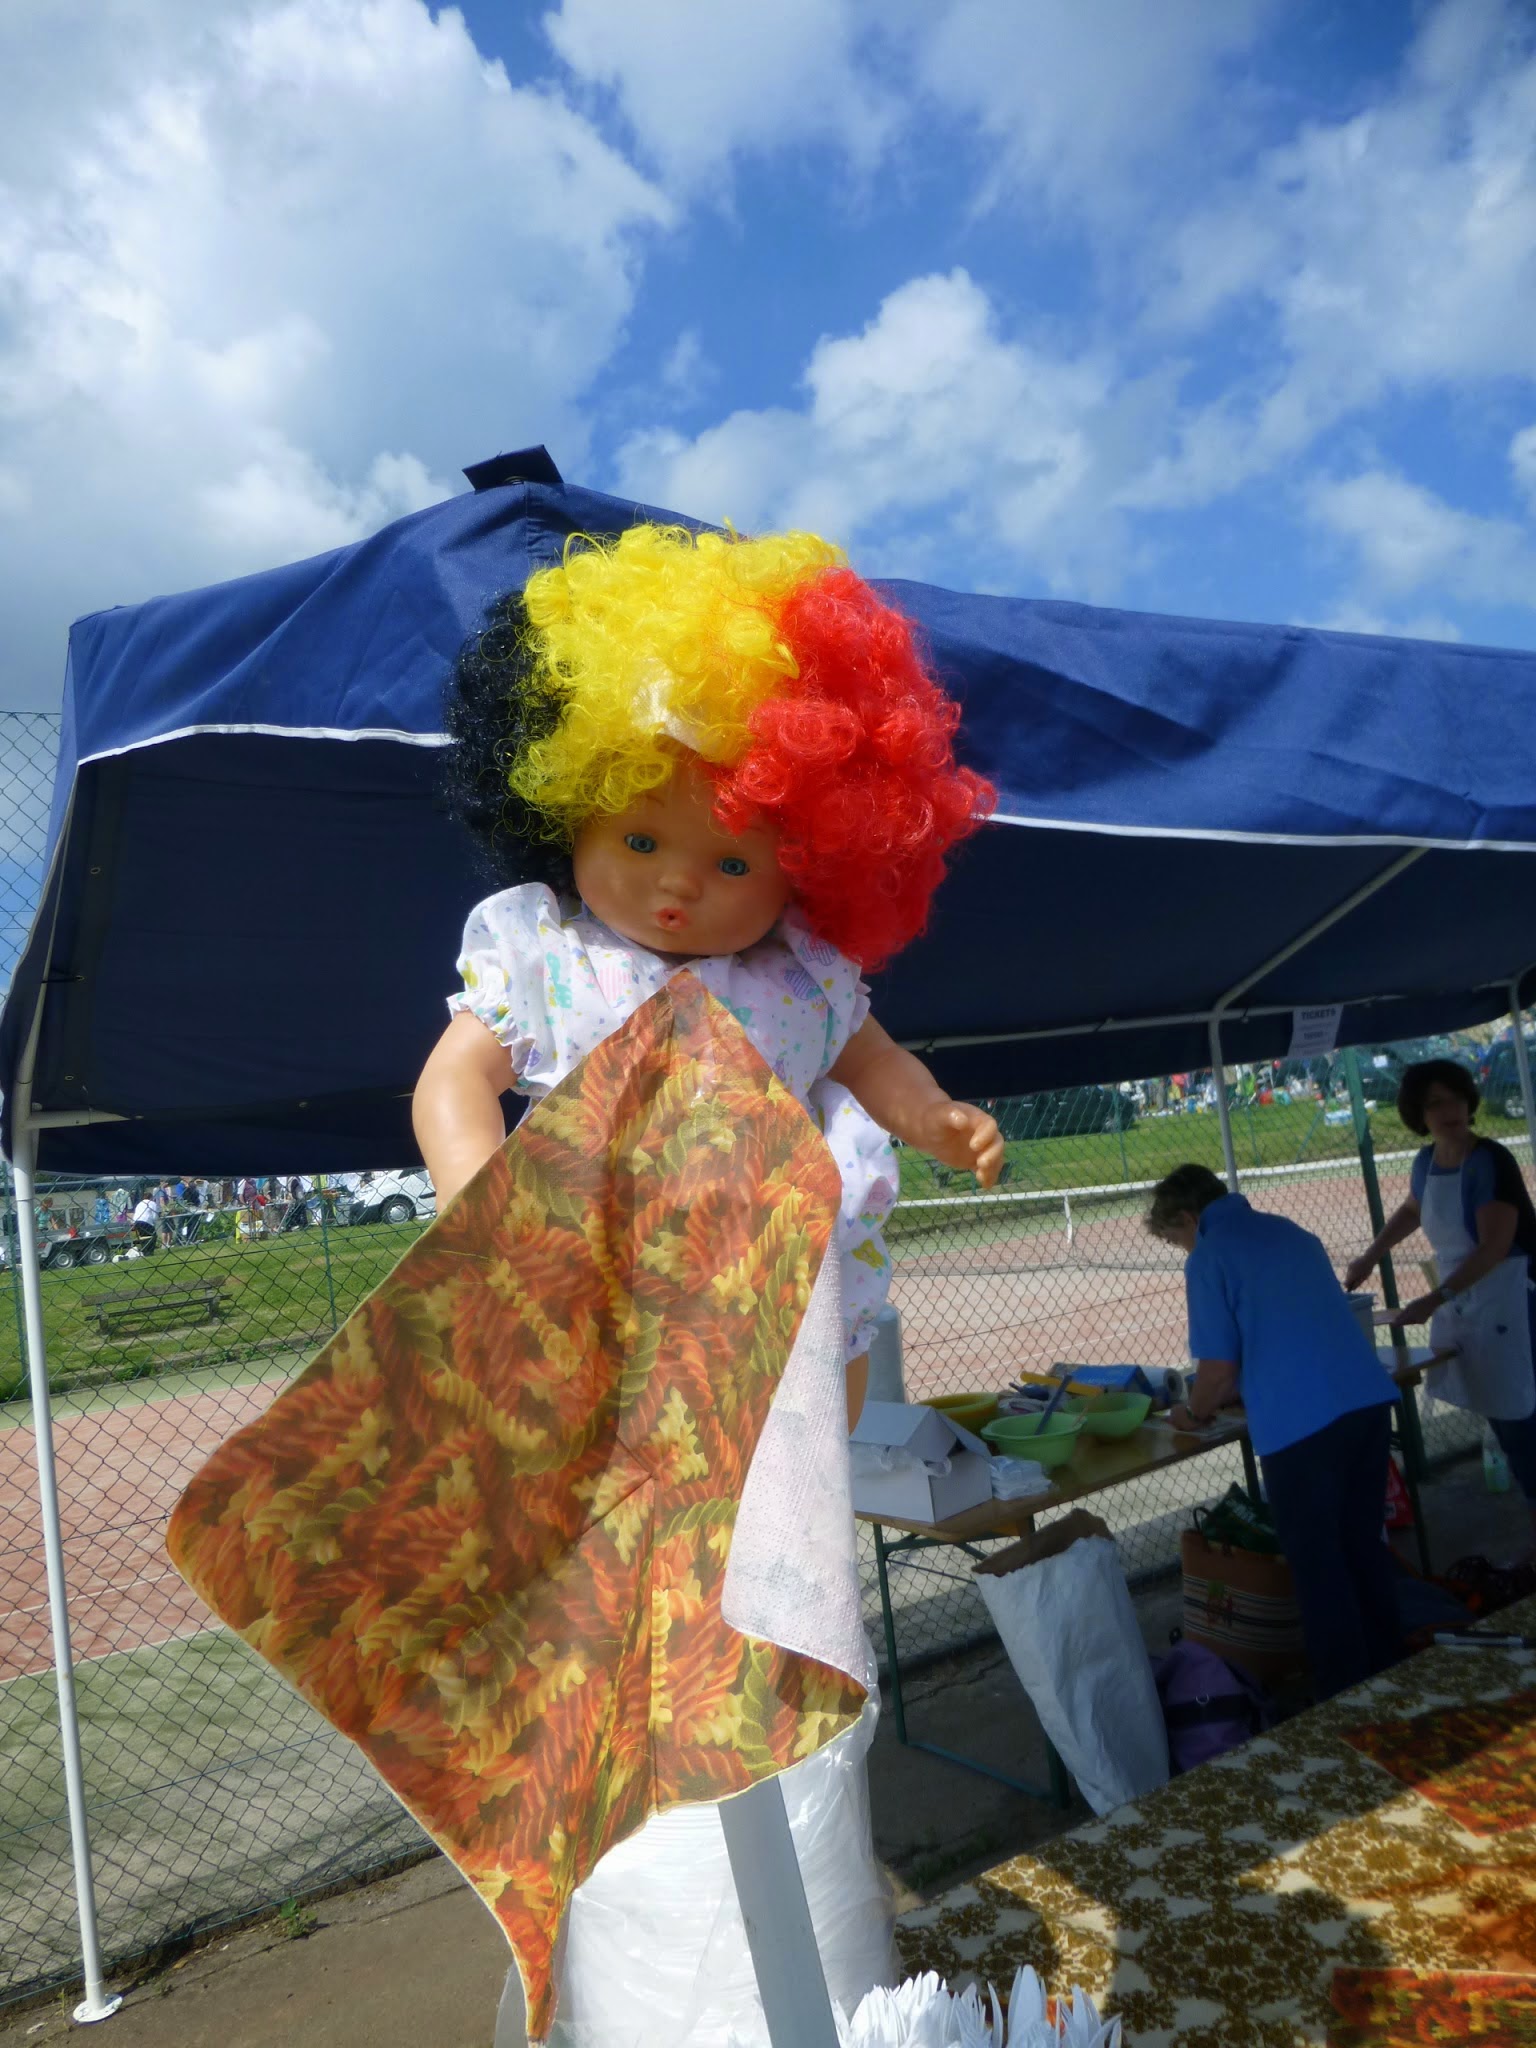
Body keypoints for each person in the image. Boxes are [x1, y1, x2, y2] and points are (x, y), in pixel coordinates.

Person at [417, 521, 1004, 1426]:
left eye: (734, 865)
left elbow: (875, 1060)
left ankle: (811, 1472)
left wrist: (930, 1115)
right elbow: (457, 1074)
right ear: (567, 812)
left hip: (778, 1285)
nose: (679, 881)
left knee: (824, 1385)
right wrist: (475, 1201)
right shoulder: (551, 958)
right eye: (640, 840)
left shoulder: (801, 978)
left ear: (805, 868)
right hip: (604, 1274)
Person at [1149, 1163, 1403, 1699]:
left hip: (1301, 1427)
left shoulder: (1210, 1257)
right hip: (1365, 1402)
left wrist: (1191, 1414)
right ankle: (1395, 1671)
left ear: (1188, 1217)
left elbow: (1216, 1372)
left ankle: (1346, 1699)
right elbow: (1292, 1329)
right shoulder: (1291, 1231)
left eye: (1176, 1239)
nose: (1183, 1251)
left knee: (1318, 1565)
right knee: (1362, 1546)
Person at [1345, 1058, 1536, 1548]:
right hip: (1470, 1302)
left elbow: (1495, 1247)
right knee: (1506, 1418)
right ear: (1418, 1114)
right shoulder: (1427, 1162)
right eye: (1435, 1103)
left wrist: (1434, 1300)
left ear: (1469, 1102)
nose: (1449, 1110)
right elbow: (1413, 1208)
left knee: (1524, 1422)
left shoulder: (1490, 1160)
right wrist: (1370, 1255)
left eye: (1455, 1098)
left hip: (1514, 1300)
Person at [130, 1190, 157, 1258]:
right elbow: (154, 1215)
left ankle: (145, 1251)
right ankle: (150, 1251)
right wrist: (154, 1223)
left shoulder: (140, 1203)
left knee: (143, 1236)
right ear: (151, 1197)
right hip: (146, 1221)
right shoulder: (152, 1203)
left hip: (137, 1221)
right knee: (153, 1236)